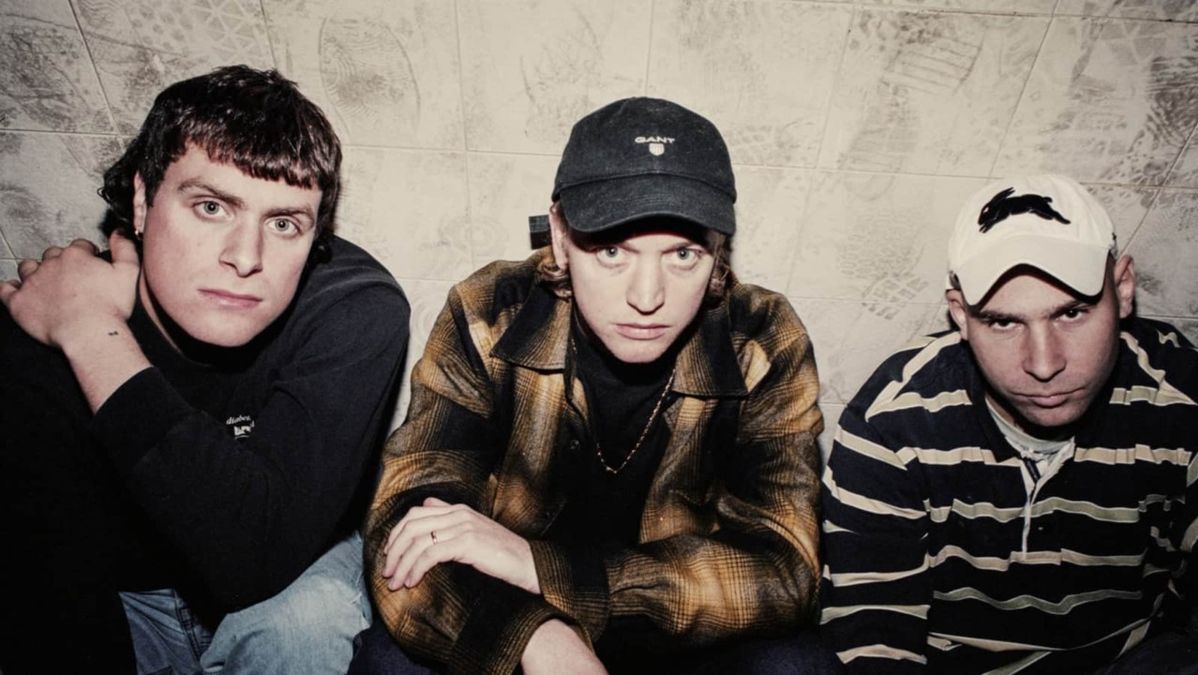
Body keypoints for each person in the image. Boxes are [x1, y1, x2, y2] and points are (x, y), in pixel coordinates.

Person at [349, 97, 838, 674]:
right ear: (559, 236)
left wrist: (544, 568)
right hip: (518, 618)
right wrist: (539, 637)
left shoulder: (761, 339)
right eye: (611, 251)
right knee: (389, 661)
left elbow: (785, 574)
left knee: (797, 665)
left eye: (683, 255)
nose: (647, 297)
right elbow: (404, 530)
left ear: (718, 252)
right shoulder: (489, 314)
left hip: (678, 633)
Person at [0, 65, 410, 674]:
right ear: (142, 201)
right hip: (121, 597)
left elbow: (257, 557)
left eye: (283, 223)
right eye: (211, 206)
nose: (245, 258)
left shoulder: (353, 308)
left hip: (287, 574)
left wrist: (92, 336)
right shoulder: (35, 334)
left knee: (302, 624)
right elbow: (53, 601)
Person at [820, 174, 1198, 673]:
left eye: (1072, 313)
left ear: (1123, 289)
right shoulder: (893, 422)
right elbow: (876, 630)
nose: (1043, 364)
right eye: (1003, 322)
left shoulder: (1183, 400)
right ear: (960, 315)